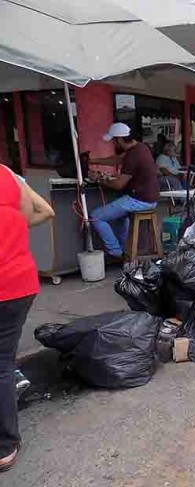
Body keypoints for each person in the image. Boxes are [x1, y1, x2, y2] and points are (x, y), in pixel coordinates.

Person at [0, 163, 55, 473]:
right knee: (2, 362)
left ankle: (4, 446)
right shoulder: (7, 175)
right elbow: (43, 212)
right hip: (19, 283)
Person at [90, 123, 159, 259]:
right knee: (121, 217)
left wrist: (98, 178)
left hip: (140, 200)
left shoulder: (133, 155)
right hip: (150, 199)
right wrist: (93, 160)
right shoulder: (141, 148)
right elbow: (119, 159)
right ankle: (124, 251)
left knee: (95, 216)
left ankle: (116, 252)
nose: (113, 144)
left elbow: (118, 185)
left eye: (114, 140)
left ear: (119, 139)